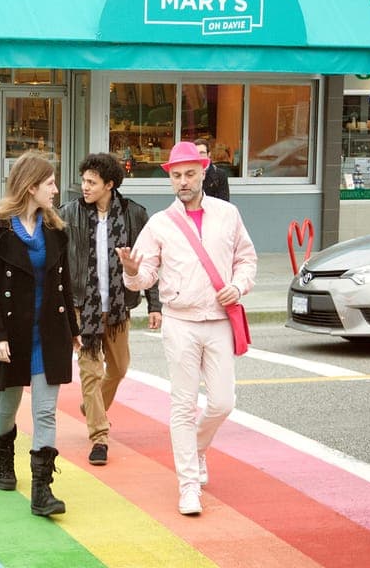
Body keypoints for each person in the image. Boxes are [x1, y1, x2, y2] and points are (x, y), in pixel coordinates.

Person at [116, 141, 257, 516]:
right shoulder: (160, 223)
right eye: (176, 175)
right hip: (179, 321)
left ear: (204, 171)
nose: (183, 181)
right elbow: (144, 275)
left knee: (223, 402)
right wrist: (131, 271)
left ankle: (195, 450)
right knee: (182, 403)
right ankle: (188, 484)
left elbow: (247, 259)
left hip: (219, 320)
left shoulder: (228, 214)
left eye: (190, 173)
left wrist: (238, 286)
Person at [0, 151, 81, 517]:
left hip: (49, 331)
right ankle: (4, 456)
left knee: (46, 411)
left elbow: (63, 284)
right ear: (31, 186)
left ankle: (41, 490)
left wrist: (73, 331)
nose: (55, 189)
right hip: (11, 333)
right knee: (7, 405)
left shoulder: (56, 229)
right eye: (49, 183)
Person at [59, 152, 162, 467]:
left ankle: (93, 407)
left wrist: (155, 304)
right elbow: (58, 264)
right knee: (91, 373)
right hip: (84, 308)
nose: (84, 187)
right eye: (84, 181)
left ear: (110, 184)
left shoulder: (134, 215)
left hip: (118, 308)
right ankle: (99, 437)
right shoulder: (69, 214)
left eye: (92, 182)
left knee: (118, 369)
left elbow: (150, 262)